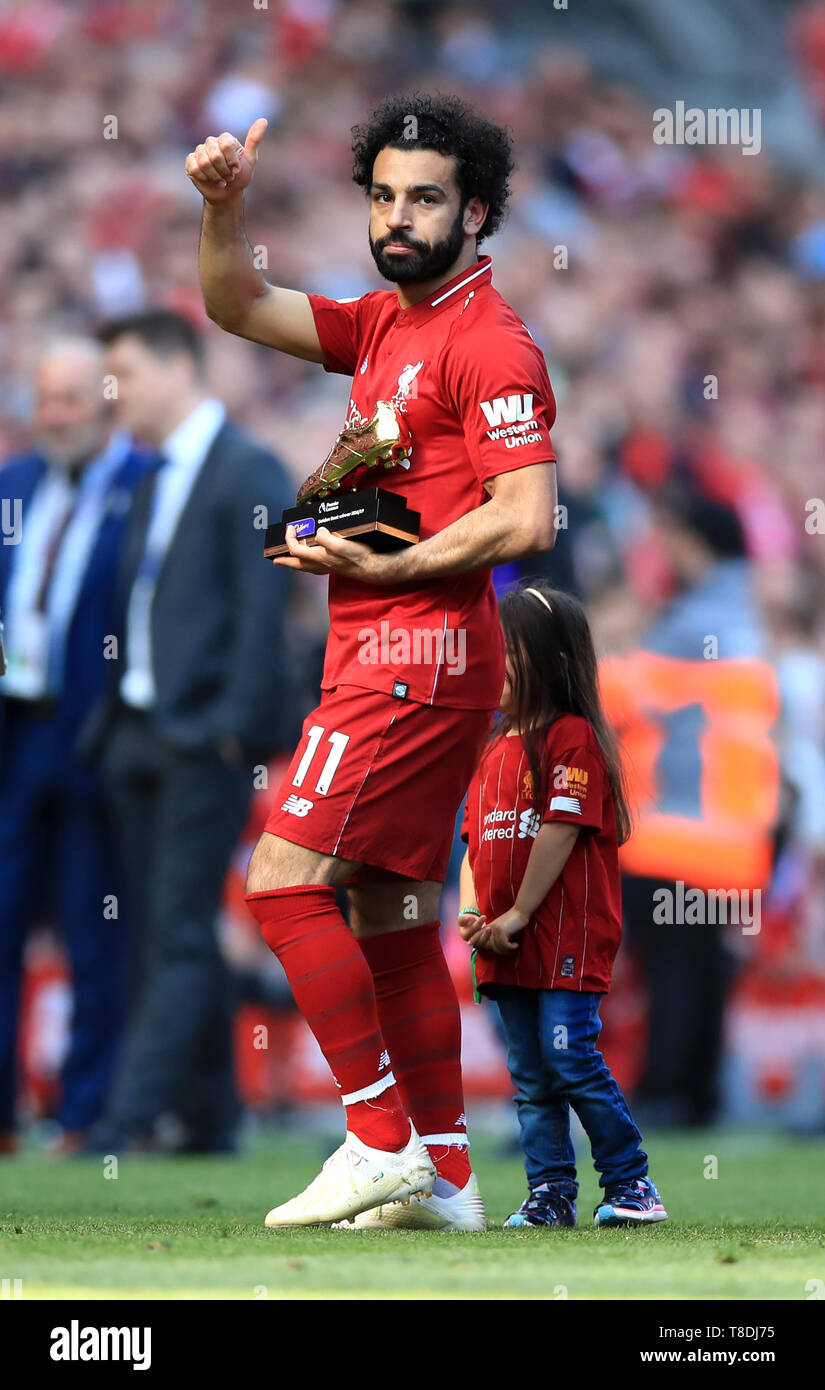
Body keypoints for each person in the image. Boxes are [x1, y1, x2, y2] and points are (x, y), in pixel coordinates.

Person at [187, 92, 558, 1228]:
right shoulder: (388, 323)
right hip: (394, 654)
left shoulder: (487, 340)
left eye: (427, 198)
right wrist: (225, 206)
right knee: (392, 913)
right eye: (385, 196)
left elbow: (528, 513)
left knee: (280, 883)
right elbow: (238, 300)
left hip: (413, 656)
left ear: (477, 211)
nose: (399, 217)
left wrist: (400, 571)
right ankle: (442, 1175)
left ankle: (375, 1131)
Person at [85, 310, 294, 1154]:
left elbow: (263, 609)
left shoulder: (252, 468)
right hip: (138, 735)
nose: (114, 394)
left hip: (202, 741)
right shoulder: (147, 476)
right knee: (164, 929)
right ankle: (212, 1117)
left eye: (124, 374)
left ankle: (127, 1120)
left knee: (174, 929)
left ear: (178, 368)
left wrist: (230, 732)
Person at [458, 582, 668, 1228]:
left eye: (508, 655)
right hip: (504, 942)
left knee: (569, 1056)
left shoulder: (571, 738)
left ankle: (631, 1184)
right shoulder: (490, 745)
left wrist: (517, 913)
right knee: (529, 1077)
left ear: (548, 663)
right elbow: (472, 841)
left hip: (561, 935)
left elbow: (560, 829)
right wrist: (474, 916)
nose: (494, 667)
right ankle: (550, 1193)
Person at [0, 337, 149, 1153]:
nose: (55, 417)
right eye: (45, 400)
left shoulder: (145, 488)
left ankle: (85, 1116)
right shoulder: (13, 486)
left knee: (98, 929)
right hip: (16, 732)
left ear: (106, 401)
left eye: (70, 401)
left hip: (95, 740)